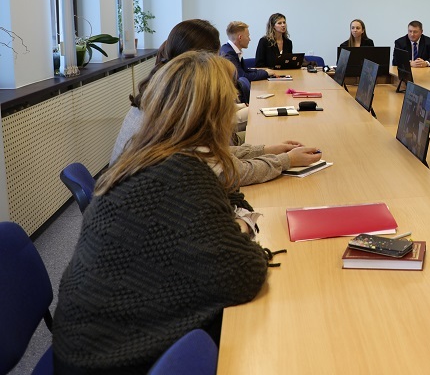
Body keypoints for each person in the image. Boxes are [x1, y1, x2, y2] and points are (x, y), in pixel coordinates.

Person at [53, 52, 270, 374]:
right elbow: (243, 274)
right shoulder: (182, 174)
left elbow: (224, 204)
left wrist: (230, 224)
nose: (235, 108)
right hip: (109, 359)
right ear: (214, 115)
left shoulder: (145, 155)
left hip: (83, 341)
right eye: (231, 101)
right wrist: (242, 226)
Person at [111, 19, 321, 184]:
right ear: (200, 60)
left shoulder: (162, 91)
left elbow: (210, 153)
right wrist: (287, 160)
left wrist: (270, 149)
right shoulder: (179, 105)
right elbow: (226, 172)